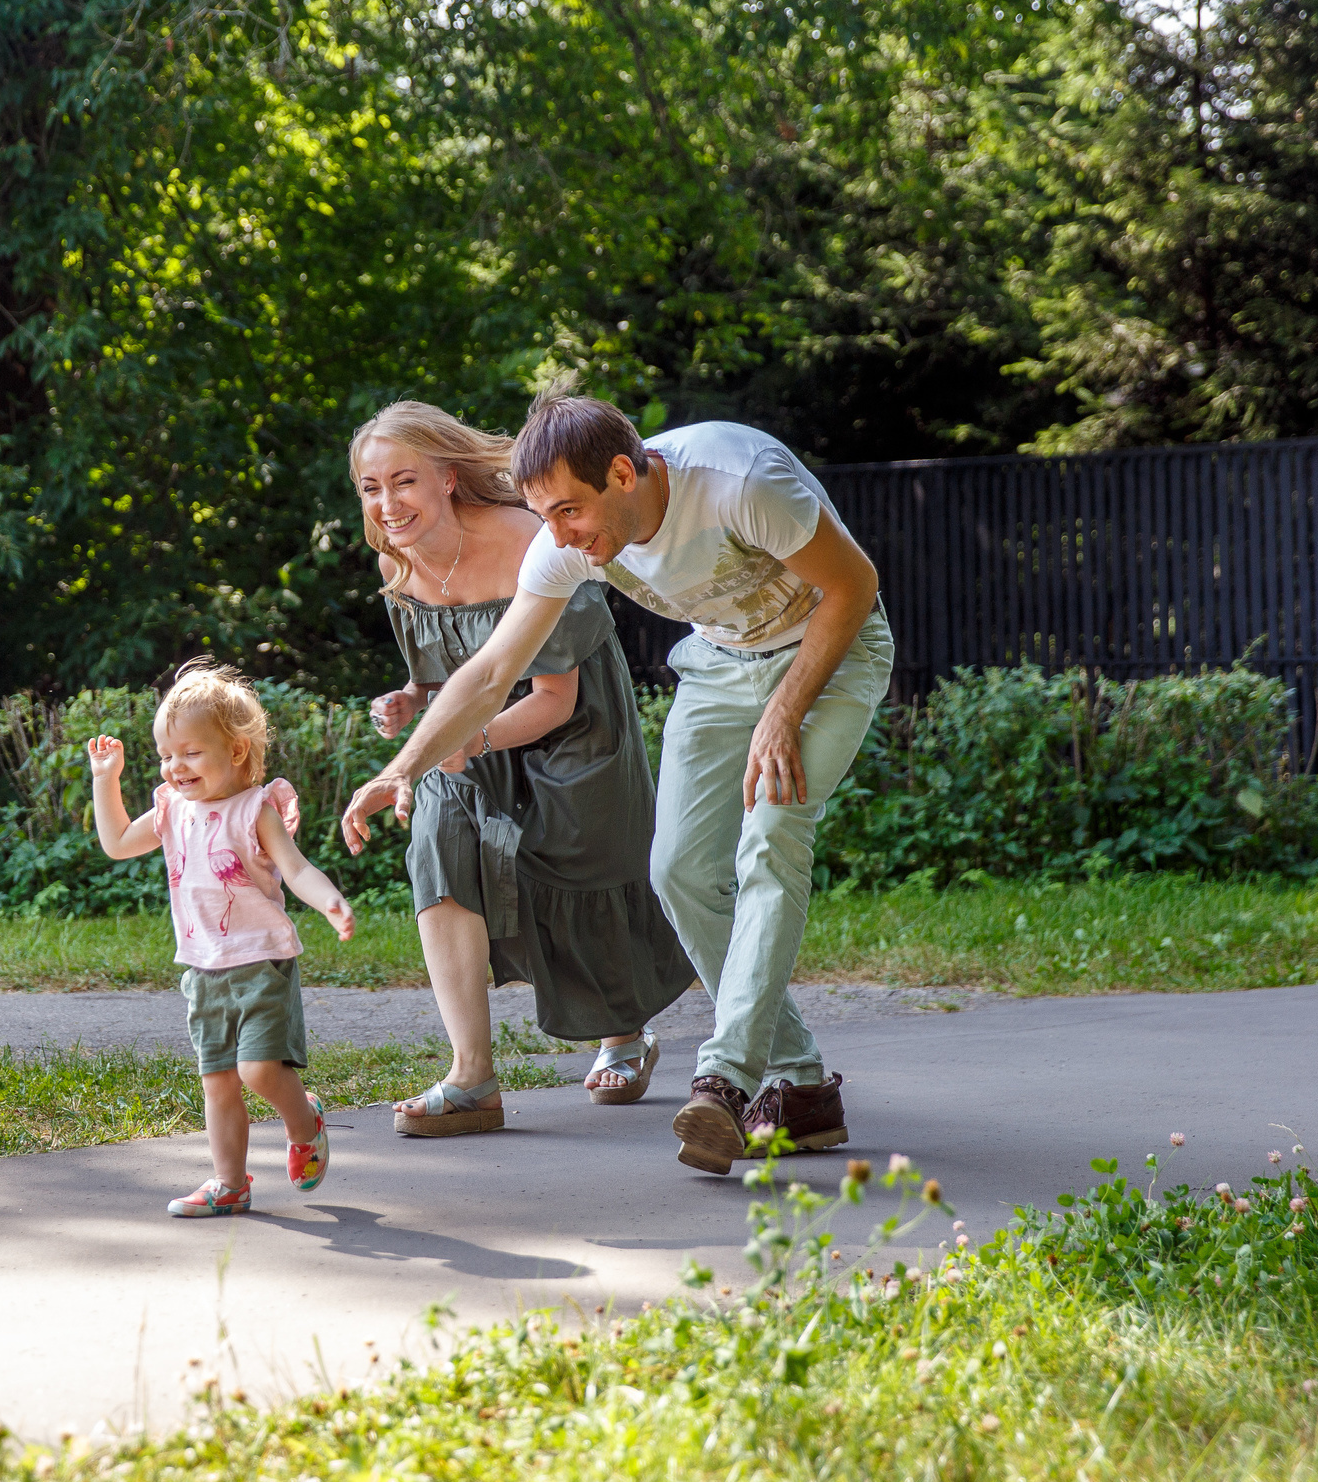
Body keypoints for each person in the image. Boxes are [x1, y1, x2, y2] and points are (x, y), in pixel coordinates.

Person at [341, 384, 893, 1175]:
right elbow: (494, 669)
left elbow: (855, 585)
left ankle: (726, 1078)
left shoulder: (740, 482)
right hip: (721, 663)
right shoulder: (563, 539)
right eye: (547, 515)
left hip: (830, 654)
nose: (560, 535)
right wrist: (402, 768)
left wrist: (784, 711)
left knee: (771, 838)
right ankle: (802, 1085)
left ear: (628, 476)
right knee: (676, 871)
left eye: (571, 511)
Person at [349, 402, 693, 1137]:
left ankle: (624, 1033)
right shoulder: (395, 559)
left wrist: (468, 738)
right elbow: (447, 672)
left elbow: (554, 697)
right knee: (437, 846)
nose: (387, 503)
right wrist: (411, 700)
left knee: (578, 867)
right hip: (471, 733)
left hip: (569, 729)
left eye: (402, 481)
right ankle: (471, 1076)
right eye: (370, 488)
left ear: (447, 477)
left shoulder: (522, 540)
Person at [88, 660, 357, 1217]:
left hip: (261, 962)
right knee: (219, 1083)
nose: (173, 767)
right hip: (202, 966)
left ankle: (304, 1121)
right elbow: (115, 842)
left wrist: (329, 900)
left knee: (258, 1072)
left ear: (235, 751)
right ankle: (229, 1183)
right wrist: (105, 779)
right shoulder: (170, 810)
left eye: (189, 752)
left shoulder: (254, 809)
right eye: (166, 755)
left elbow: (297, 869)